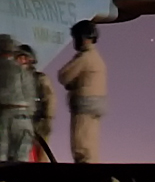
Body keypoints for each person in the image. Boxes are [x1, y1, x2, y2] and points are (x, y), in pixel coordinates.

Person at [0, 34, 38, 162]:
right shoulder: (21, 69)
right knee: (22, 158)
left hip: (3, 117)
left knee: (1, 159)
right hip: (24, 119)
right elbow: (30, 95)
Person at [57, 20, 108, 163]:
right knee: (91, 145)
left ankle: (84, 178)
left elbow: (63, 75)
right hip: (95, 105)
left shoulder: (85, 57)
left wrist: (71, 85)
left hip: (84, 105)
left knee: (81, 146)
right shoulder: (97, 57)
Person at [20, 43, 58, 161]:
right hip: (21, 125)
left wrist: (47, 119)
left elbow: (50, 99)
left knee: (41, 157)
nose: (21, 60)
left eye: (24, 57)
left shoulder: (40, 79)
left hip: (38, 124)